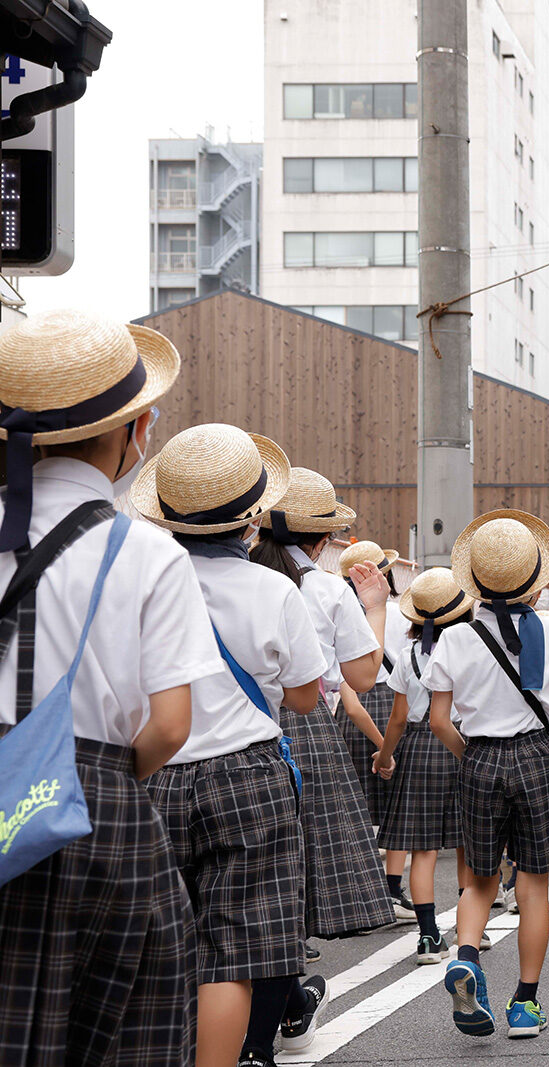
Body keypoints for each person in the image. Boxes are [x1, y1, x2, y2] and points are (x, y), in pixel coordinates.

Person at [0, 311, 219, 1067]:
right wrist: (100, 777)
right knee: (128, 1024)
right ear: (133, 433)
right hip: (102, 800)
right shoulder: (146, 551)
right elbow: (168, 725)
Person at [133, 425, 326, 1067]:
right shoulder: (275, 590)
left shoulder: (140, 582)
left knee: (160, 944)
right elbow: (304, 696)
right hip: (247, 775)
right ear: (251, 520)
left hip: (156, 768)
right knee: (234, 951)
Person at [423, 510, 549, 1040]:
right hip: (539, 756)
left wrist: (471, 754)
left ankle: (466, 957)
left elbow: (438, 720)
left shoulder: (454, 638)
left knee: (478, 878)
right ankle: (525, 1004)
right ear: (534, 575)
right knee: (534, 886)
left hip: (480, 758)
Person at [246, 466, 390, 1058]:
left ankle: (268, 1001)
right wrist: (375, 606)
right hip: (304, 730)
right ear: (323, 540)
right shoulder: (329, 591)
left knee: (247, 879)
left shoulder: (238, 576)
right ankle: (282, 1004)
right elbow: (361, 675)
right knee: (296, 875)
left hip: (225, 727)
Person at [373, 567, 476, 966]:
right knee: (470, 843)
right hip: (463, 745)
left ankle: (430, 936)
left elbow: (398, 719)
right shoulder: (470, 648)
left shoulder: (408, 655)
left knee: (423, 849)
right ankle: (474, 930)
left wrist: (385, 756)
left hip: (417, 748)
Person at [335, 539, 413, 920]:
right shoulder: (404, 614)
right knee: (399, 808)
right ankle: (394, 891)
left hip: (356, 717)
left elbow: (350, 701)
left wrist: (381, 749)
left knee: (356, 810)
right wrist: (389, 750)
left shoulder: (344, 615)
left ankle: (357, 897)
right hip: (399, 708)